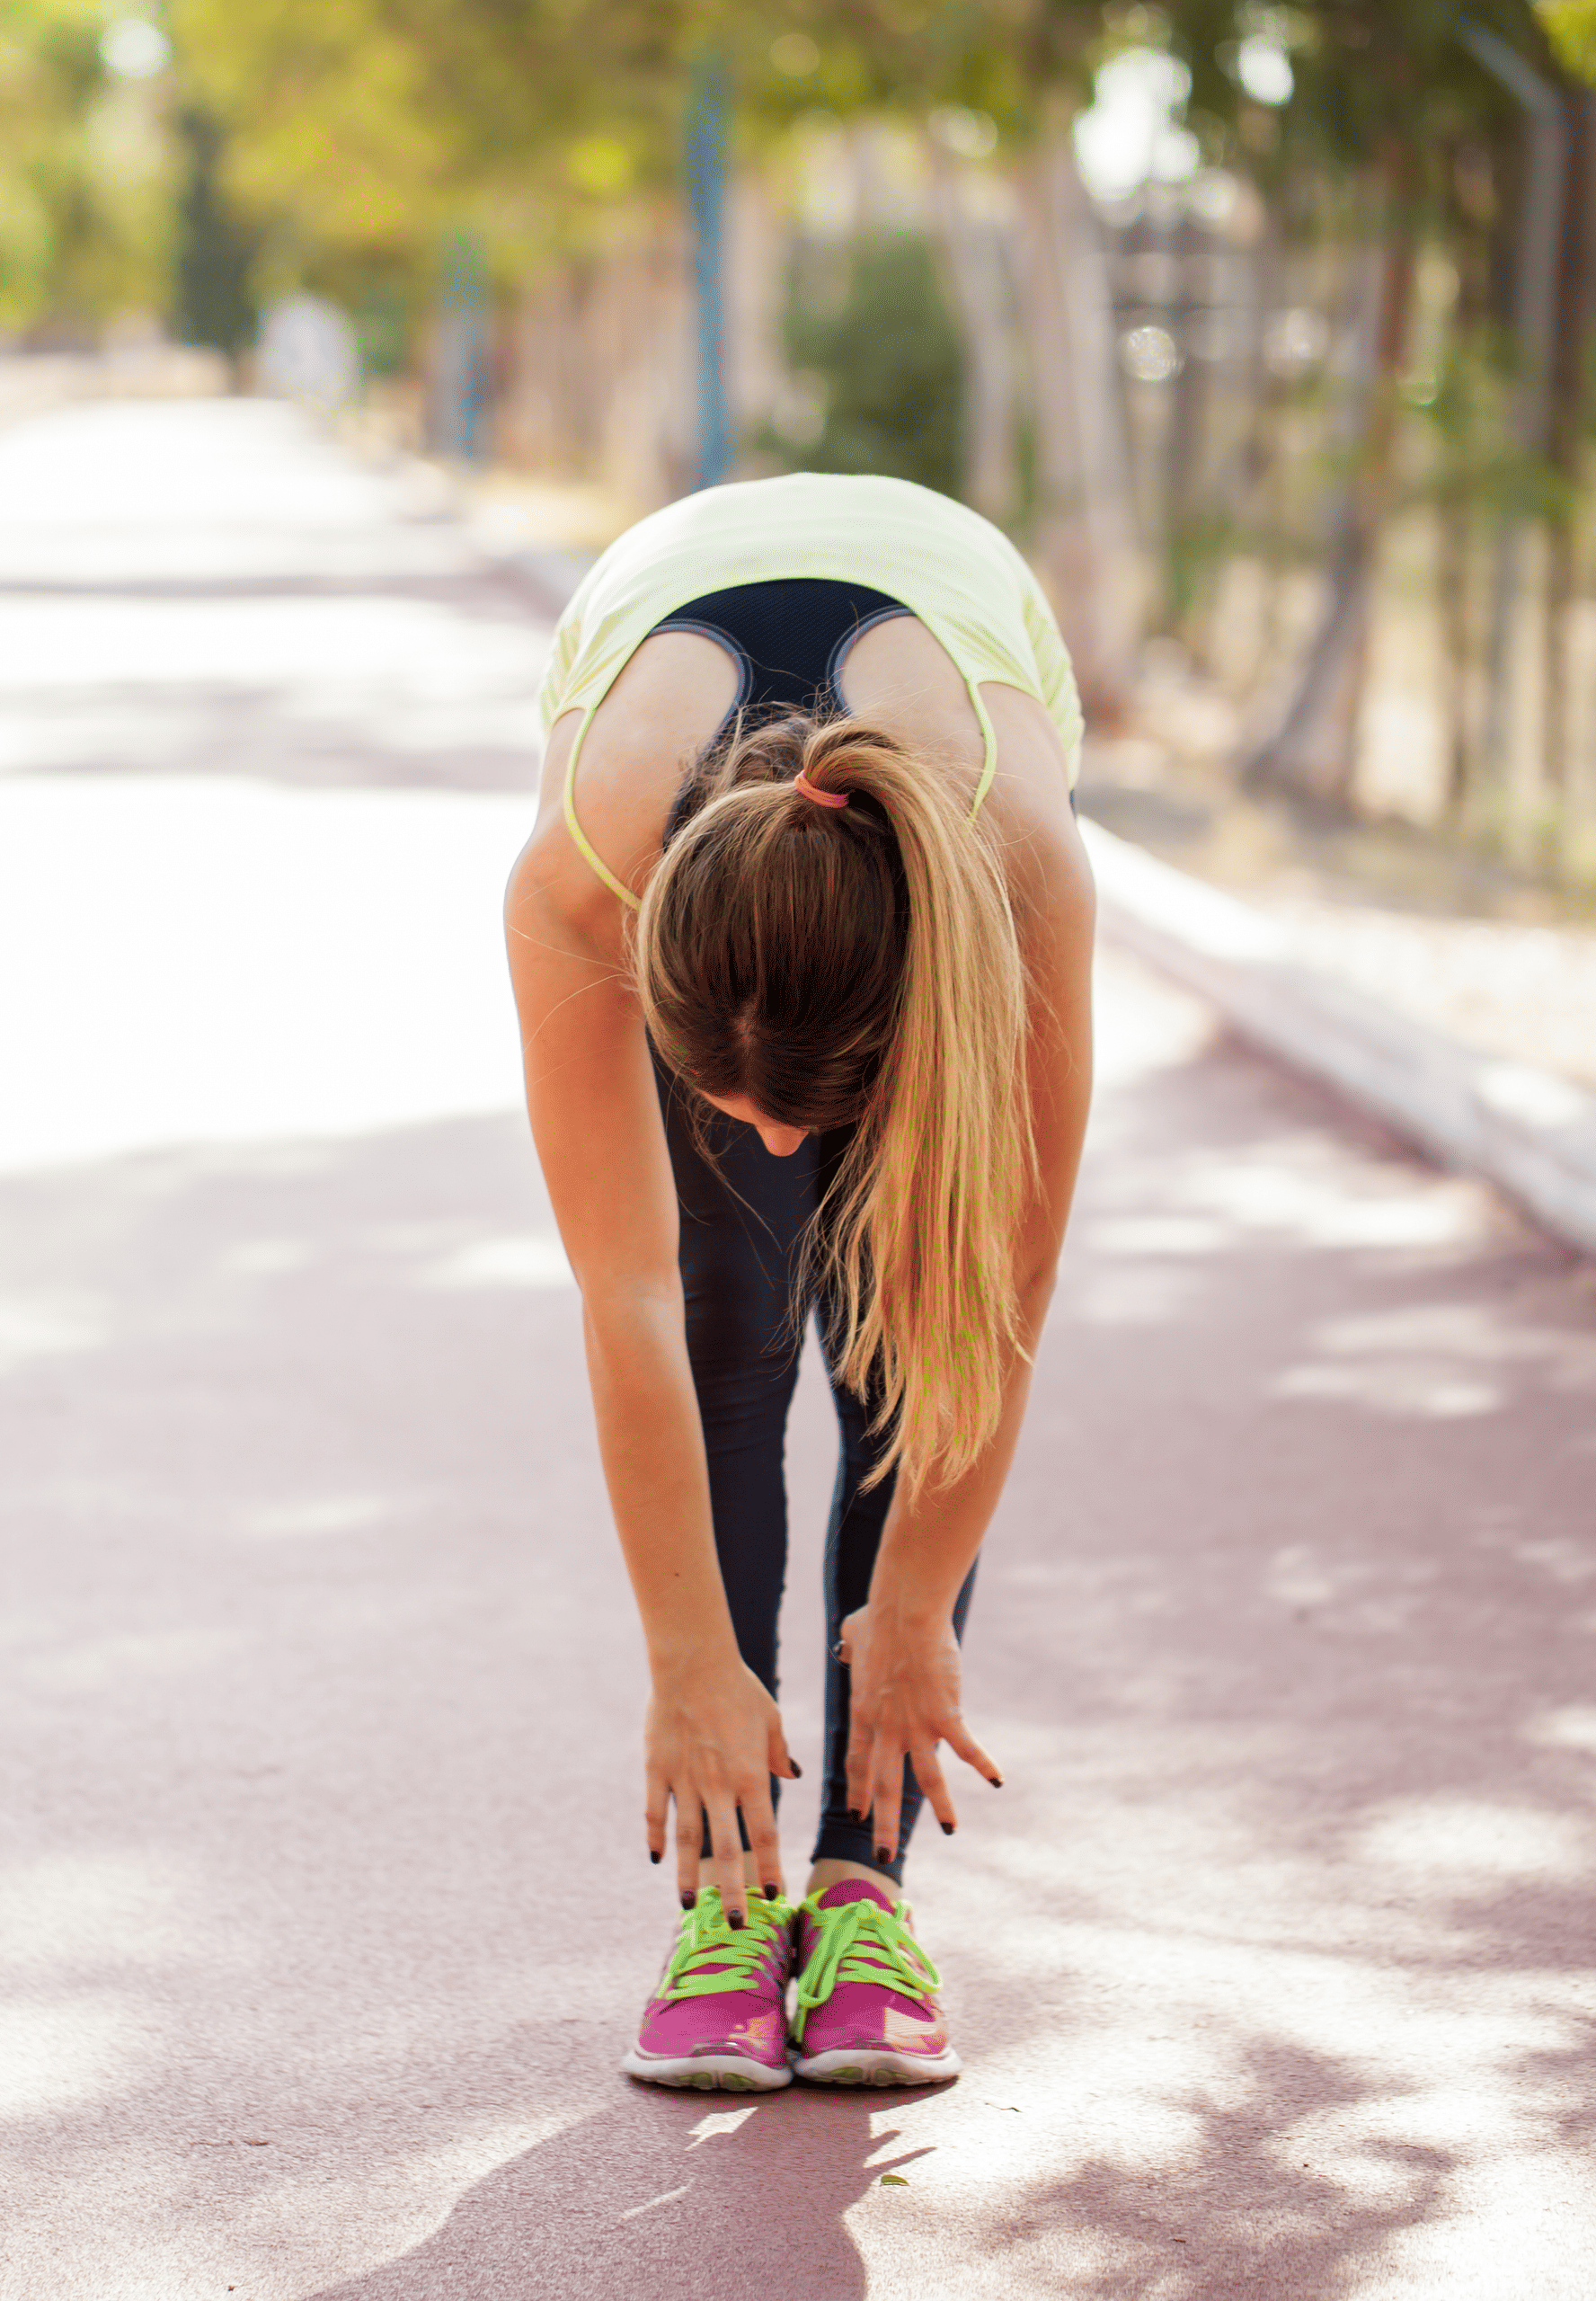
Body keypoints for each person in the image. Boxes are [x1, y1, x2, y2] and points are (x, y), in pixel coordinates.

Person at [501, 472, 1094, 2092]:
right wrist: (689, 1657)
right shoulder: (583, 873)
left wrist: (913, 1610)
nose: (764, 1136)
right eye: (732, 1102)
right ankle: (731, 1901)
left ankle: (862, 1895)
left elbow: (1005, 1294)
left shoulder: (1018, 875)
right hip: (678, 649)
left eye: (806, 1110)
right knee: (722, 1324)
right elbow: (619, 1302)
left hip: (944, 662)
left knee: (897, 1331)